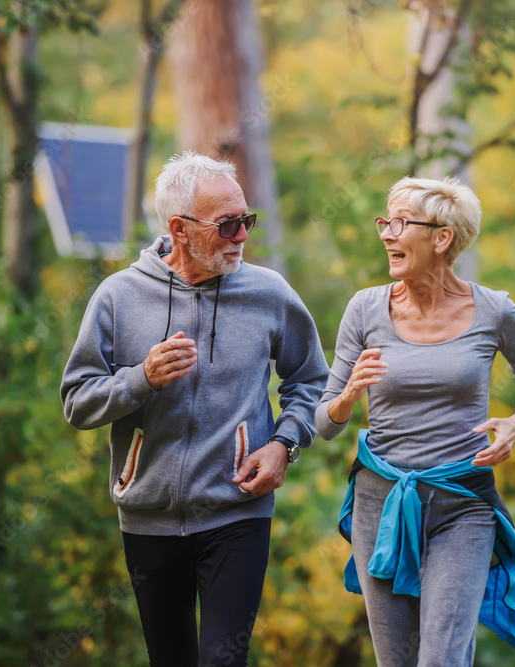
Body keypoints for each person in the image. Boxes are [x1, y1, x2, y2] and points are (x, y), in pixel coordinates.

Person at [60, 151, 329, 667]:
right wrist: (141, 380)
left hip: (237, 511)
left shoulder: (268, 293)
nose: (241, 236)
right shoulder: (119, 296)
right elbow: (77, 402)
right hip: (147, 517)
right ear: (179, 229)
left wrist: (284, 444)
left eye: (245, 221)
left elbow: (310, 378)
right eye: (227, 225)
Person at [315, 176, 515, 666]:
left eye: (400, 223)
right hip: (380, 506)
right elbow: (325, 421)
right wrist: (350, 394)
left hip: (463, 504)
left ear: (442, 238)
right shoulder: (364, 309)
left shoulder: (495, 310)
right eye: (385, 221)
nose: (386, 233)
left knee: (441, 659)